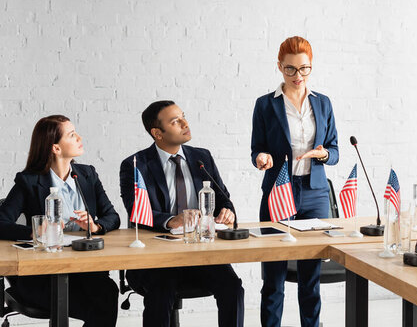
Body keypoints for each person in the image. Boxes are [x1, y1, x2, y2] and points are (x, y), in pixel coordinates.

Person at [120, 100, 244, 327]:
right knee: (161, 289)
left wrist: (228, 213)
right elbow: (137, 213)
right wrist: (171, 220)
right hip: (156, 258)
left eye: (183, 117)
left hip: (200, 253)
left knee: (232, 286)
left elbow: (223, 199)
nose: (185, 123)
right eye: (175, 121)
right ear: (157, 133)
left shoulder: (201, 157)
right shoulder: (135, 165)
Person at [251, 36, 339, 327]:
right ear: (279, 67)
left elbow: (335, 150)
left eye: (304, 69)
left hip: (315, 194)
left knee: (310, 279)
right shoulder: (265, 105)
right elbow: (257, 149)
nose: (298, 76)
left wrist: (324, 154)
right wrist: (262, 158)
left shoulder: (323, 103)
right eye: (290, 69)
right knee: (274, 277)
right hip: (279, 191)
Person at [0, 115, 120, 326]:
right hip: (43, 275)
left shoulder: (87, 174)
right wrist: (35, 231)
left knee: (108, 291)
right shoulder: (28, 180)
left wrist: (96, 225)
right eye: (72, 135)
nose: (79, 137)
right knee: (99, 305)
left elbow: (113, 217)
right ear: (55, 148)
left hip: (83, 269)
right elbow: (1, 223)